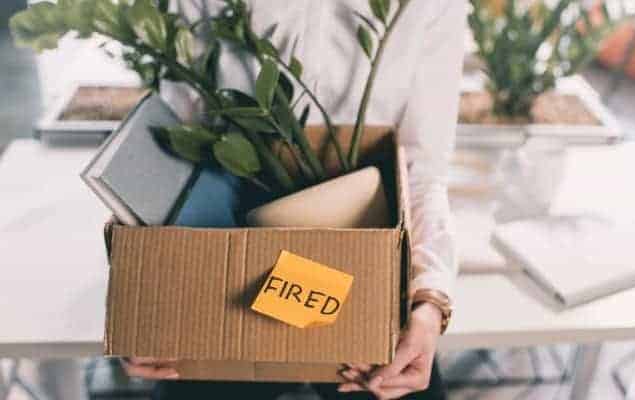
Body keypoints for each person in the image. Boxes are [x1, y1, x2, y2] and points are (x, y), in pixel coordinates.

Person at [123, 0, 466, 399]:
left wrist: (429, 301)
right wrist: (141, 299)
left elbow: (422, 169)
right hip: (226, 264)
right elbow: (177, 149)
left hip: (368, 268)